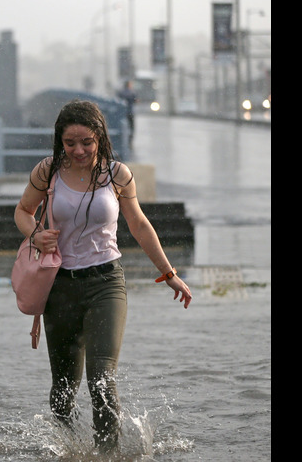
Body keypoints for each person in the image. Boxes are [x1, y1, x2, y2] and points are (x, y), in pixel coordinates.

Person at [13, 100, 191, 453]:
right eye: (70, 143)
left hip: (106, 282)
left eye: (87, 142)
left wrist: (168, 272)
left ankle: (107, 455)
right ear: (59, 142)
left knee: (101, 379)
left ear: (100, 139)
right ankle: (69, 452)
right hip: (60, 287)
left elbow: (139, 224)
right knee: (63, 388)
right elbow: (22, 211)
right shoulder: (47, 172)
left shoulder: (117, 174)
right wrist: (34, 234)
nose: (79, 150)